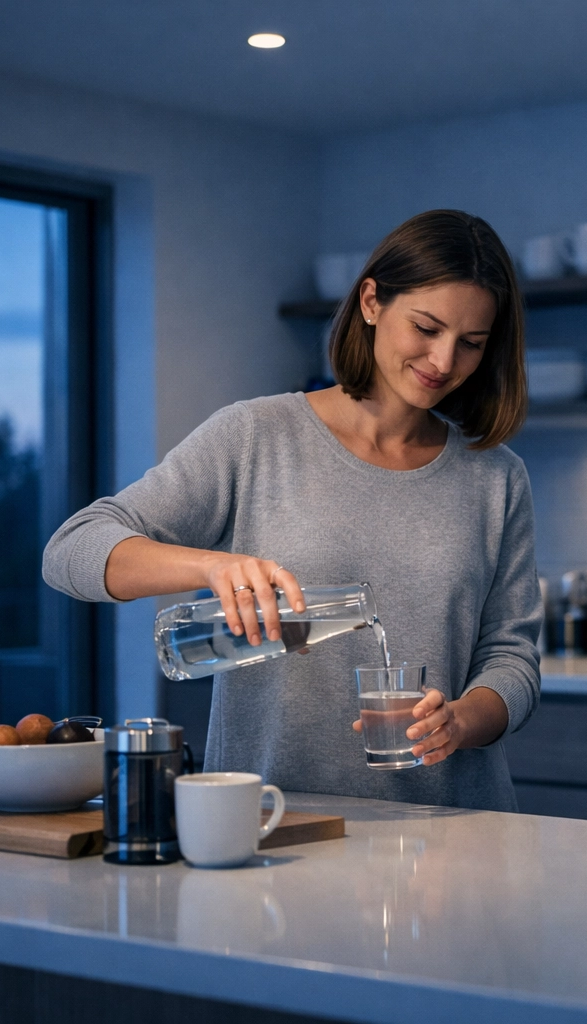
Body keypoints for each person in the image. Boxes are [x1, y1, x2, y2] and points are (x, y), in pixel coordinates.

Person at [43, 209, 541, 810]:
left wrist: (461, 722)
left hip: (452, 832)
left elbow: (512, 657)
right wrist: (210, 569)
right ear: (371, 302)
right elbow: (70, 550)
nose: (442, 360)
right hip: (271, 822)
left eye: (471, 344)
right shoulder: (255, 436)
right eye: (426, 328)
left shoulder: (496, 476)